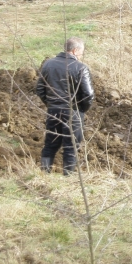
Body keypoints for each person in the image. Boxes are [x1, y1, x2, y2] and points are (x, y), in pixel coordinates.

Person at [36, 37, 95, 175]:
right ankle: (68, 178)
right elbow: (88, 94)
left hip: (53, 111)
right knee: (71, 147)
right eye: (81, 53)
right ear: (75, 51)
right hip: (73, 112)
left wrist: (51, 104)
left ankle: (44, 174)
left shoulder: (48, 64)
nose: (81, 56)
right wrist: (81, 109)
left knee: (50, 145)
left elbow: (40, 89)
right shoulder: (81, 68)